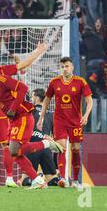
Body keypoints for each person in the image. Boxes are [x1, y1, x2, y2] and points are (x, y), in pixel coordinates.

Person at [0, 64, 63, 189]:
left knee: (15, 150)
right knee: (15, 153)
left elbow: (23, 88)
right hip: (13, 120)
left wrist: (13, 108)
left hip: (23, 116)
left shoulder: (3, 80)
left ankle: (46, 144)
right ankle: (37, 180)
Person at [37, 57, 93, 188]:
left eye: (67, 66)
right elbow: (46, 100)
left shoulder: (81, 82)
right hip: (59, 120)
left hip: (75, 121)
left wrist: (86, 115)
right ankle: (62, 178)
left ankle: (75, 180)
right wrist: (41, 118)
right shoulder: (54, 82)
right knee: (61, 148)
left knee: (75, 149)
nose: (64, 69)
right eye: (62, 67)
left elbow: (89, 100)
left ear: (72, 67)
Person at [19, 88, 58, 187]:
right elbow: (54, 134)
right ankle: (45, 179)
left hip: (33, 146)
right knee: (53, 181)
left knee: (26, 181)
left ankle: (38, 178)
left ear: (36, 98)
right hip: (46, 148)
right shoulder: (50, 114)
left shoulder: (29, 110)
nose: (31, 99)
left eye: (32, 96)